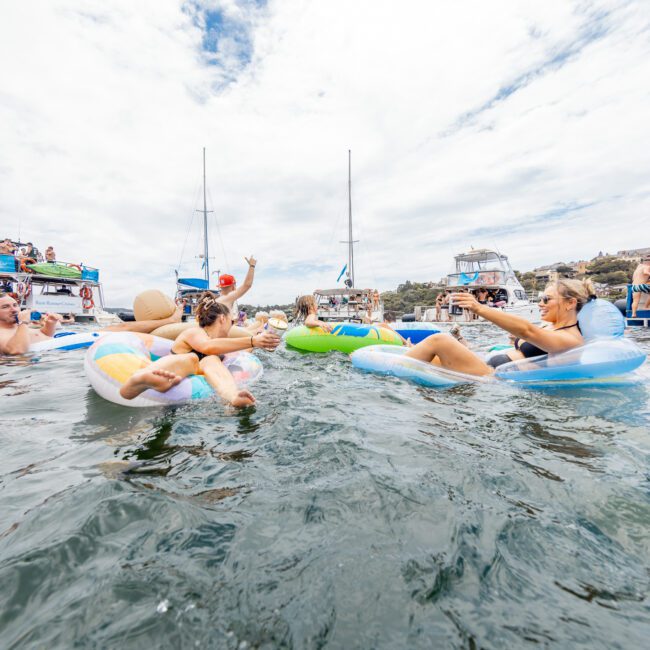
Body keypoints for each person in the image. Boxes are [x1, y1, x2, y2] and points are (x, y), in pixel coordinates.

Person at [119, 293, 280, 407]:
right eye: (231, 321)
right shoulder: (195, 332)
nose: (232, 326)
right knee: (193, 359)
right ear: (222, 319)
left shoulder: (221, 344)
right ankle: (141, 380)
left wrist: (259, 342)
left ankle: (232, 396)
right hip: (177, 369)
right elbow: (207, 347)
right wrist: (252, 340)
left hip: (189, 382)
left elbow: (237, 354)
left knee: (211, 360)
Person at [405, 278, 593, 376]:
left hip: (492, 377)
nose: (540, 304)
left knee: (440, 340)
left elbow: (526, 330)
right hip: (488, 366)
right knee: (426, 353)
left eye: (546, 299)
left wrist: (478, 307)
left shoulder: (572, 338)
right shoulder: (550, 327)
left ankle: (384, 371)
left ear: (570, 303)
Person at [216, 256, 257, 323]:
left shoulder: (219, 300)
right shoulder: (228, 298)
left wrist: (236, 320)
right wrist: (252, 266)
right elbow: (247, 285)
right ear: (233, 287)